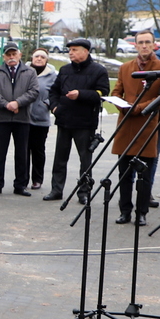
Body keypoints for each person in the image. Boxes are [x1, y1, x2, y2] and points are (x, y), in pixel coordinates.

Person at [109, 30, 160, 225]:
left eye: (148, 42)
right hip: (126, 125)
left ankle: (141, 212)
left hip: (148, 125)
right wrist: (123, 105)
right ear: (135, 45)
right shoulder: (126, 68)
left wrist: (141, 108)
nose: (144, 45)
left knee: (145, 174)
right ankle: (124, 211)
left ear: (154, 44)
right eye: (140, 42)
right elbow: (116, 91)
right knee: (124, 173)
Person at [44, 38, 107, 202]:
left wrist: (80, 94)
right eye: (69, 50)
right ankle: (56, 190)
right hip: (64, 120)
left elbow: (102, 94)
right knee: (60, 159)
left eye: (74, 49)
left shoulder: (98, 70)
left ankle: (84, 192)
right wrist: (55, 107)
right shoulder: (65, 70)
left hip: (85, 123)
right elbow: (54, 91)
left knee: (85, 160)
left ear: (85, 51)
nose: (70, 53)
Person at [0, 43, 38, 196]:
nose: (11, 57)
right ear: (4, 57)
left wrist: (18, 103)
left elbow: (34, 91)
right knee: (0, 152)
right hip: (2, 118)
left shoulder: (30, 72)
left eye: (14, 54)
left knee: (22, 153)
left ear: (20, 55)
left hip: (22, 118)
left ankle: (20, 185)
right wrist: (6, 104)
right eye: (8, 55)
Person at [27, 49, 56, 191]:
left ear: (47, 60)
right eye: (36, 56)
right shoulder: (24, 71)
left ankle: (37, 179)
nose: (39, 59)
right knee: (23, 150)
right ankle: (22, 179)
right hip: (24, 117)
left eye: (42, 57)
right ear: (32, 58)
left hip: (41, 118)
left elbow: (57, 93)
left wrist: (48, 103)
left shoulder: (52, 76)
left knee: (38, 150)